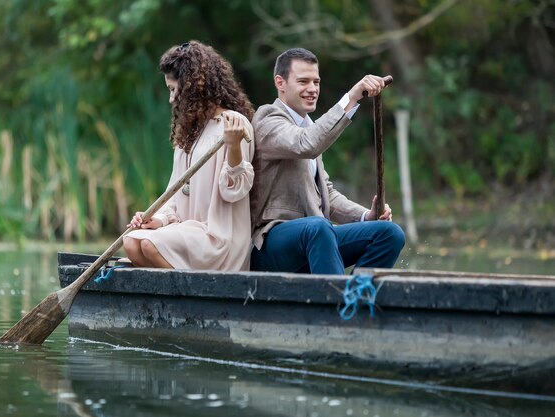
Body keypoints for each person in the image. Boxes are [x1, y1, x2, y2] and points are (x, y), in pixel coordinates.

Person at [250, 47, 405, 275]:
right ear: (280, 83)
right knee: (319, 227)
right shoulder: (267, 119)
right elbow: (307, 144)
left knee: (389, 233)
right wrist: (351, 98)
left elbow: (326, 195)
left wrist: (365, 216)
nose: (312, 89)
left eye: (316, 82)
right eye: (303, 81)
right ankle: (336, 307)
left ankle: (355, 300)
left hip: (317, 236)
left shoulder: (310, 126)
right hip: (271, 244)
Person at [123, 41, 255, 271]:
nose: (171, 99)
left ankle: (194, 294)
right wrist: (156, 219)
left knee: (150, 246)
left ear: (195, 86)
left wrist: (234, 147)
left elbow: (234, 191)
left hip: (218, 237)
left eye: (174, 90)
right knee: (131, 242)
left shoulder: (234, 124)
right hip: (187, 233)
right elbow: (174, 194)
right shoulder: (189, 132)